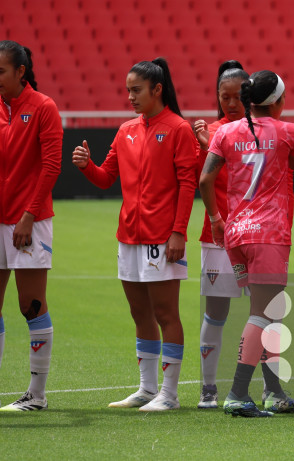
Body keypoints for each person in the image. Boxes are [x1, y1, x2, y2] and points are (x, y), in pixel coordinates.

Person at [72, 58, 197, 412]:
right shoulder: (125, 130)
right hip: (128, 236)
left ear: (157, 90)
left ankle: (169, 395)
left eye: (136, 90)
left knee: (165, 313)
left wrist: (178, 233)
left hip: (162, 238)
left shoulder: (178, 129)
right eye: (128, 90)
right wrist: (86, 167)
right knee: (139, 313)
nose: (130, 96)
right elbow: (105, 177)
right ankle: (146, 389)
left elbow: (188, 184)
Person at [199, 70, 294, 418]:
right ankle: (238, 392)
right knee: (263, 313)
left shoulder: (227, 132)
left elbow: (206, 178)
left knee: (268, 314)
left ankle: (274, 391)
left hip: (236, 232)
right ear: (277, 102)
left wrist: (216, 219)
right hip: (270, 234)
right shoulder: (289, 132)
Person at [0, 41, 62, 411]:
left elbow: (51, 166)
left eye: (1, 72)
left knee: (30, 304)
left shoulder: (43, 107)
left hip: (30, 221)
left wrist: (28, 215)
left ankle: (36, 396)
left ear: (21, 71)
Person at [193, 60, 251, 409]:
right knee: (215, 313)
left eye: (237, 96)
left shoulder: (262, 130)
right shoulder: (210, 132)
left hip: (257, 232)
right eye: (224, 97)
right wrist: (205, 144)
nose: (231, 103)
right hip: (216, 234)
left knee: (263, 311)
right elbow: (202, 179)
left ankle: (266, 385)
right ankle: (208, 388)